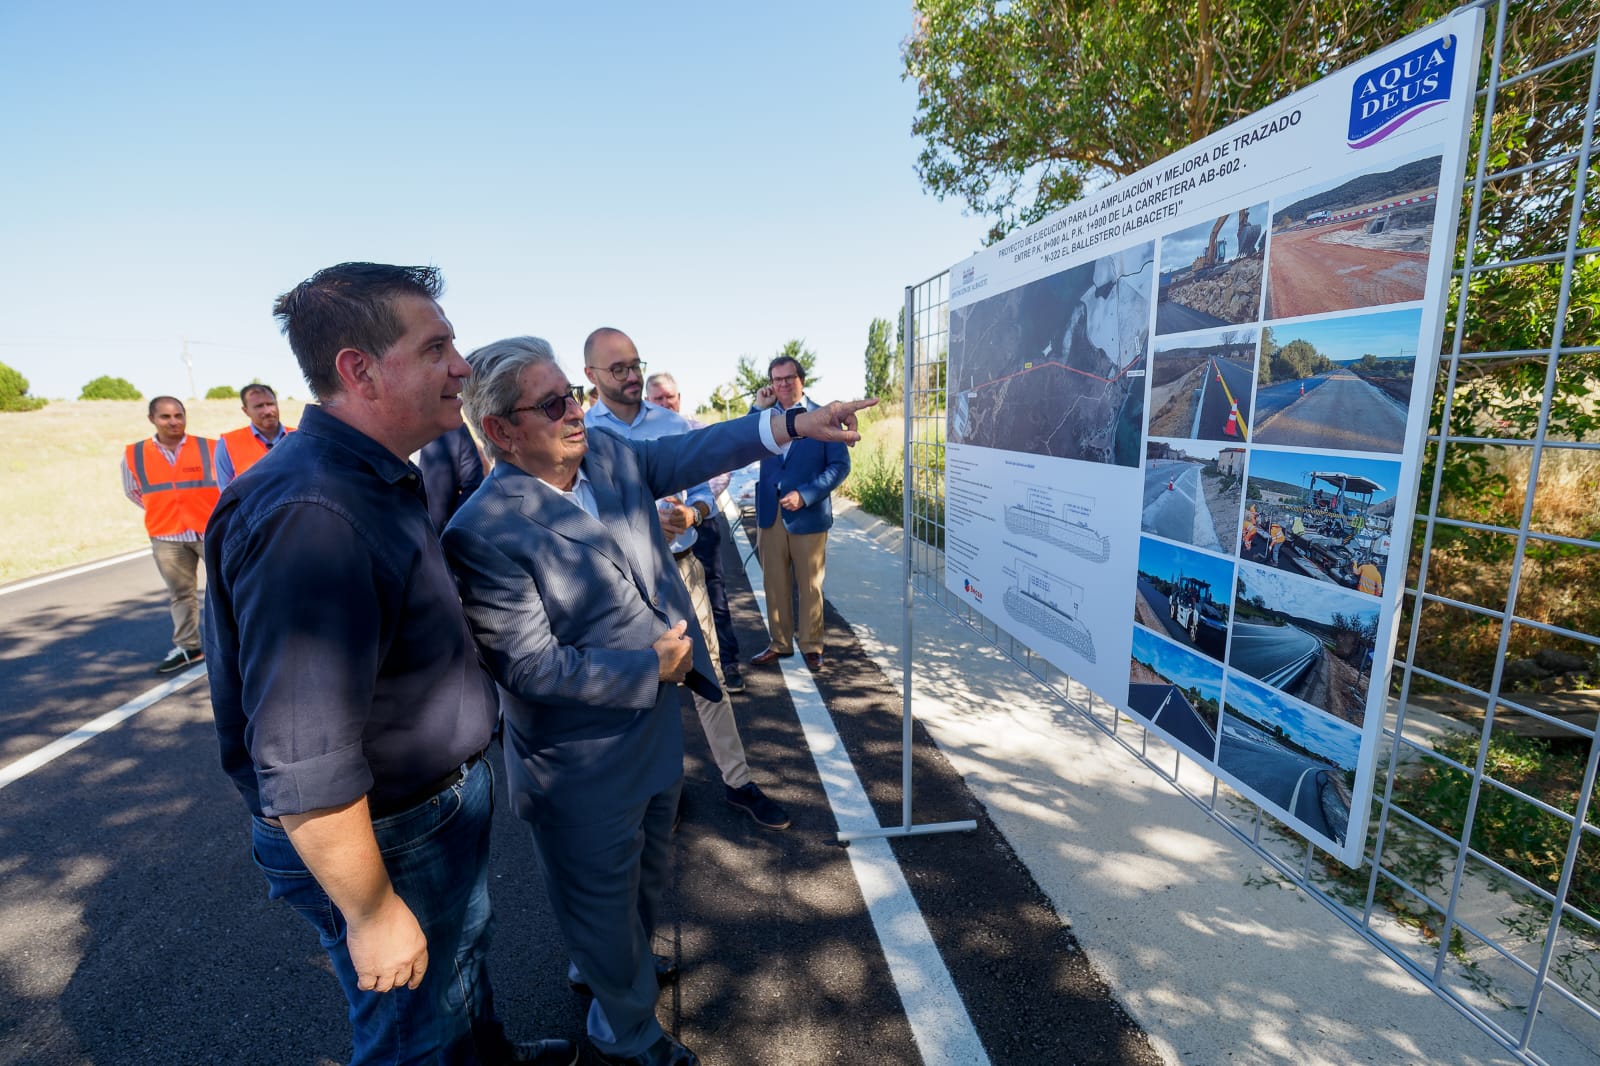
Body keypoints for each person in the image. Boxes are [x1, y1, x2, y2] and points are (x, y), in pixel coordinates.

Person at [442, 336, 873, 1066]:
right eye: (552, 404)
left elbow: (698, 450)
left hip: (650, 730)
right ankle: (628, 1034)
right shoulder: (482, 531)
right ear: (502, 430)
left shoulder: (608, 457)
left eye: (571, 395)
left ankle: (612, 967)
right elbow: (529, 665)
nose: (575, 411)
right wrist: (649, 666)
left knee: (639, 877)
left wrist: (795, 423)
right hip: (577, 757)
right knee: (598, 891)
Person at [203, 263, 574, 1066]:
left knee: (458, 971)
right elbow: (306, 758)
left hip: (426, 811)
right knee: (413, 1033)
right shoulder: (316, 513)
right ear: (359, 370)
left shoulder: (369, 476)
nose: (463, 366)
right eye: (437, 346)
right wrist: (372, 912)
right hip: (388, 833)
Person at [585, 334, 787, 831]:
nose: (631, 377)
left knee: (710, 673)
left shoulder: (674, 425)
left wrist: (691, 514)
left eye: (636, 366)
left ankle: (738, 782)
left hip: (682, 567)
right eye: (618, 369)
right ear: (590, 375)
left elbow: (705, 492)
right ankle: (661, 792)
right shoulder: (583, 432)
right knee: (644, 683)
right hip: (624, 582)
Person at [749, 355, 850, 670]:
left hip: (808, 515)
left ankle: (811, 645)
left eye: (787, 378)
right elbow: (743, 445)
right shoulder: (764, 418)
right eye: (775, 379)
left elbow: (840, 466)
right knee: (774, 582)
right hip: (770, 514)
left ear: (801, 380)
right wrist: (756, 408)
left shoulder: (824, 416)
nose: (781, 385)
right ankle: (779, 643)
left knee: (810, 585)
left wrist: (805, 495)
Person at [645, 370, 744, 694]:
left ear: (679, 398)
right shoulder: (644, 441)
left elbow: (720, 474)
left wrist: (693, 507)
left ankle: (727, 664)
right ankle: (672, 669)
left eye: (669, 397)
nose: (665, 403)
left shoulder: (696, 430)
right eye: (658, 399)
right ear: (648, 401)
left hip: (700, 527)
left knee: (715, 598)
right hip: (658, 543)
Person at [122, 396, 219, 673]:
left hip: (209, 530)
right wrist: (164, 508)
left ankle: (240, 643)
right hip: (167, 535)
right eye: (166, 417)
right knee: (180, 594)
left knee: (229, 588)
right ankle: (189, 648)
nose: (174, 421)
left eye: (179, 415)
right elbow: (133, 491)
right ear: (152, 419)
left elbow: (226, 481)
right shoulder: (135, 454)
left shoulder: (210, 447)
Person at [215, 383, 293, 488]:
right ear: (246, 411)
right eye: (259, 406)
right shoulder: (227, 443)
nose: (267, 411)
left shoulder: (301, 438)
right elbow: (226, 492)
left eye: (270, 404)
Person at [417, 423, 486, 531]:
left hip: (445, 541)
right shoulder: (382, 434)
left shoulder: (453, 430)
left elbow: (474, 488)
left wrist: (450, 532)